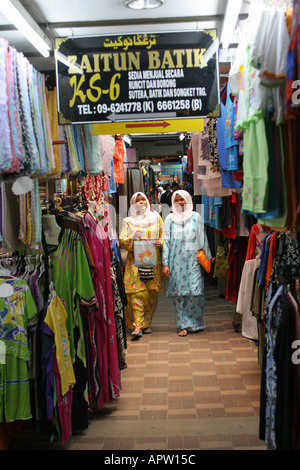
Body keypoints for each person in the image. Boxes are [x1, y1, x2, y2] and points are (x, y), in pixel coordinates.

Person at [162, 190, 212, 336]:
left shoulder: (196, 217)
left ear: (188, 200)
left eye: (182, 199)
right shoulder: (169, 219)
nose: (180, 202)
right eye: (177, 200)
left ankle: (195, 322)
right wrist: (165, 263)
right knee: (179, 294)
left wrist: (207, 258)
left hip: (194, 260)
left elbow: (202, 238)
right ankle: (182, 325)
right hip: (175, 262)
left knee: (195, 291)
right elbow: (166, 242)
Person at [120, 192, 164, 337]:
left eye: (143, 200)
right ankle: (137, 325)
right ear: (133, 204)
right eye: (137, 200)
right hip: (135, 263)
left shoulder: (156, 218)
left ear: (147, 201)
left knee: (151, 294)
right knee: (137, 293)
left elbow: (164, 235)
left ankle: (147, 323)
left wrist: (161, 242)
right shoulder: (128, 221)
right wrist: (133, 237)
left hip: (153, 262)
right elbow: (123, 241)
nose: (140, 202)